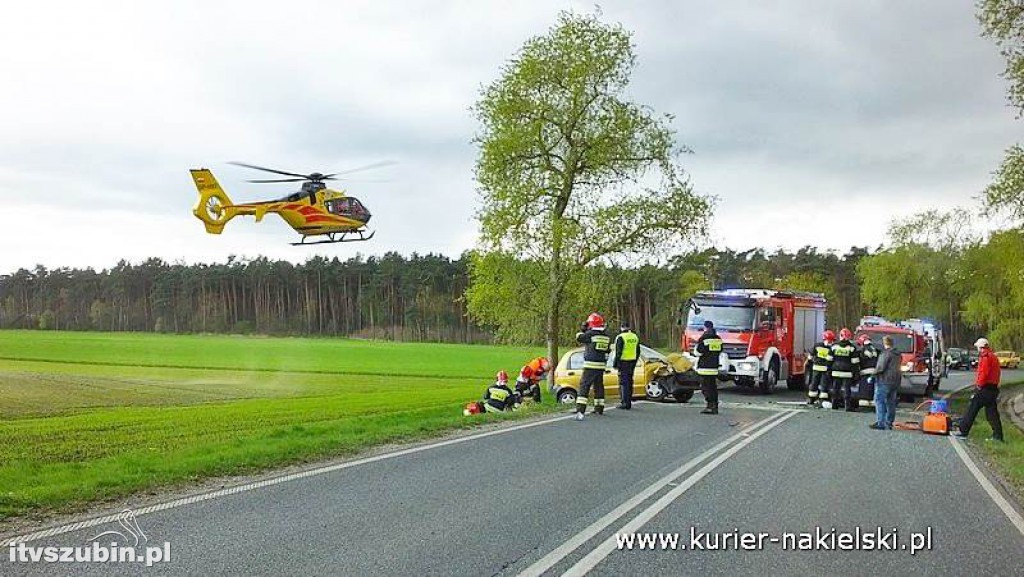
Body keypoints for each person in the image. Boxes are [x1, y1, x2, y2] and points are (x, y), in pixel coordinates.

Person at [957, 338, 1004, 441]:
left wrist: (978, 386)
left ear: (981, 347)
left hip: (985, 388)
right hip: (993, 388)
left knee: (973, 407)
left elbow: (983, 373)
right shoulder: (993, 356)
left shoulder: (985, 357)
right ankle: (998, 435)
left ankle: (963, 430)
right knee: (992, 413)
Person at [575, 312, 611, 421]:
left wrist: (583, 329)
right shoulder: (606, 336)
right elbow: (608, 350)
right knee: (599, 386)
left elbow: (579, 338)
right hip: (601, 365)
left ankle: (580, 409)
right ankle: (599, 407)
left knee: (584, 386)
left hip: (590, 365)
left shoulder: (590, 334)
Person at [870, 335, 901, 430]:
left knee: (879, 400)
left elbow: (880, 367)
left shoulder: (886, 354)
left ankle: (881, 422)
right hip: (895, 381)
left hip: (884, 380)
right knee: (891, 402)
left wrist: (872, 375)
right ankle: (889, 423)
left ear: (884, 343)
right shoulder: (898, 354)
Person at [695, 320, 723, 415]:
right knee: (713, 387)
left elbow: (698, 352)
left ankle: (709, 406)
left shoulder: (704, 338)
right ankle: (715, 406)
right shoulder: (718, 339)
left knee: (706, 388)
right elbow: (720, 350)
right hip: (714, 367)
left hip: (704, 367)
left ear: (705, 327)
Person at [829, 328, 861, 412]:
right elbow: (855, 363)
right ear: (849, 337)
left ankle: (834, 405)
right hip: (847, 372)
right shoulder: (852, 348)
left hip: (835, 372)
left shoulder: (834, 346)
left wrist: (829, 371)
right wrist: (856, 374)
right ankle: (847, 406)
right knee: (847, 389)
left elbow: (829, 360)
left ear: (840, 336)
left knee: (836, 389)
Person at [613, 320, 640, 410]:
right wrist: (635, 361)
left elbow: (618, 352)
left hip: (623, 361)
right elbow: (638, 351)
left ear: (621, 328)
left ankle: (624, 403)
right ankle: (629, 401)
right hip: (632, 361)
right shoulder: (634, 336)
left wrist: (616, 364)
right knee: (630, 381)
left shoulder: (620, 337)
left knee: (623, 383)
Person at [807, 330, 835, 407]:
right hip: (826, 370)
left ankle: (811, 399)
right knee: (824, 385)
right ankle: (822, 400)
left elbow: (810, 356)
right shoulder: (832, 348)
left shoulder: (817, 345)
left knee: (814, 384)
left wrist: (812, 361)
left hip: (816, 368)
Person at [856, 334, 879, 410]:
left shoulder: (862, 351)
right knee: (872, 389)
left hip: (865, 373)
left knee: (864, 390)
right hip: (875, 372)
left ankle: (864, 406)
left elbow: (858, 362)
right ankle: (873, 405)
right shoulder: (875, 350)